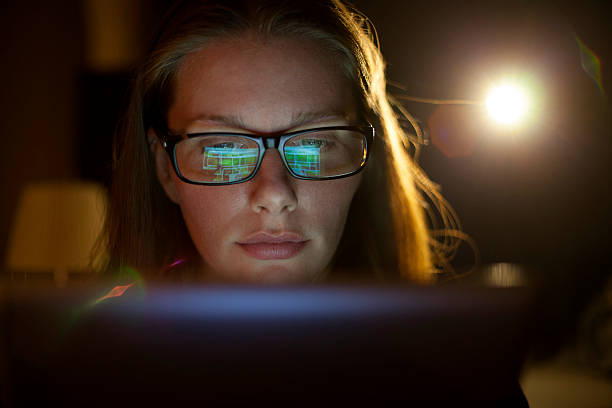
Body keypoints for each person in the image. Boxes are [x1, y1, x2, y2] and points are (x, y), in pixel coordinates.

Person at [101, 0, 457, 284]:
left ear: (365, 155)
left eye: (313, 145)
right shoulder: (92, 361)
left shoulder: (449, 362)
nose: (274, 195)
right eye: (225, 149)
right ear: (164, 168)